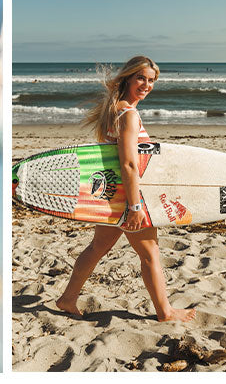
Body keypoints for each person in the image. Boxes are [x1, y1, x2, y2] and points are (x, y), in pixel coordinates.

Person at [52, 56, 197, 323]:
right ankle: (165, 312)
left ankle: (68, 298)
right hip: (127, 198)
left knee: (97, 247)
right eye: (141, 78)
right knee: (150, 251)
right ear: (128, 77)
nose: (146, 85)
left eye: (152, 80)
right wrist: (135, 207)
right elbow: (129, 164)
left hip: (112, 195)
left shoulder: (114, 110)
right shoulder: (129, 115)